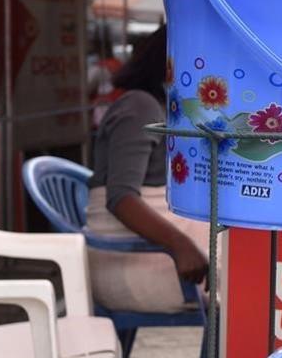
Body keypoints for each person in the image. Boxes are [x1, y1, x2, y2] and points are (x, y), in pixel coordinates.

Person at [86, 24, 210, 312]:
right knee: (250, 284)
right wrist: (181, 245)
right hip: (131, 268)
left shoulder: (161, 109)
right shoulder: (140, 107)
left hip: (147, 259)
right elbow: (121, 198)